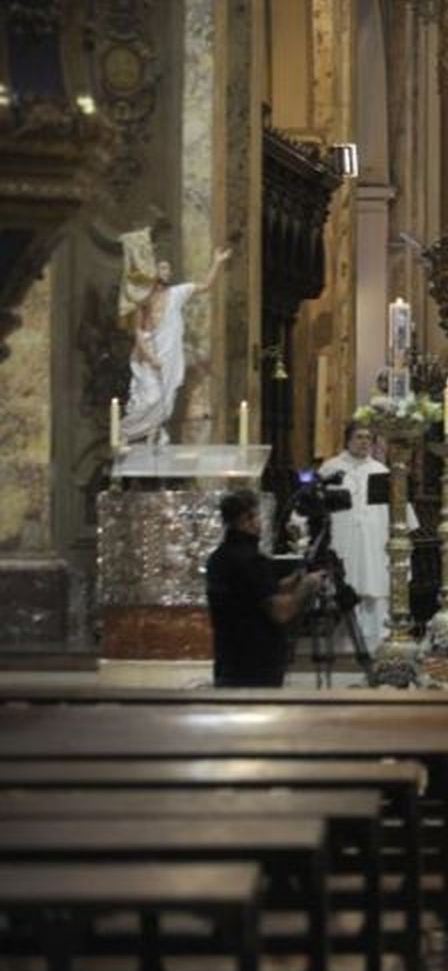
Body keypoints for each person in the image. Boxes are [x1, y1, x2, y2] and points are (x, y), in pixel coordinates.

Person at [118, 228, 232, 444]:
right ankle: (124, 433)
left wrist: (217, 262)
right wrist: (150, 356)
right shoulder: (145, 298)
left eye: (169, 268)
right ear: (154, 271)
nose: (167, 271)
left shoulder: (177, 294)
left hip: (170, 355)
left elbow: (206, 285)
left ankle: (154, 431)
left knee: (165, 400)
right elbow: (139, 333)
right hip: (149, 356)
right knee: (149, 398)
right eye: (162, 267)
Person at [205, 489, 323, 687]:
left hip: (229, 659)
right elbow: (280, 612)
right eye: (257, 516)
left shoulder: (218, 557)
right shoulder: (251, 561)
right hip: (256, 665)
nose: (260, 522)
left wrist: (291, 582)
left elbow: (248, 595)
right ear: (246, 520)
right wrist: (306, 586)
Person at [319, 421, 417, 649]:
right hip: (343, 537)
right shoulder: (331, 468)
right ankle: (346, 640)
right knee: (347, 584)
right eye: (359, 437)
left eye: (368, 438)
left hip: (375, 538)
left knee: (376, 583)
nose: (364, 442)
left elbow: (402, 511)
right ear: (348, 440)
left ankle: (380, 636)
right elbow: (317, 504)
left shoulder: (381, 471)